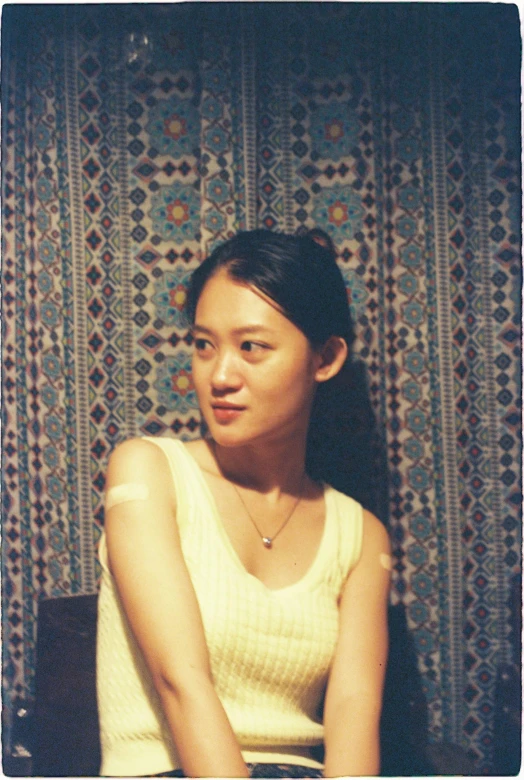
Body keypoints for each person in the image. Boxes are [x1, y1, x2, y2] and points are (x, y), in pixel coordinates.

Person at [96, 229, 391, 778]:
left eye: (251, 347)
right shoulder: (148, 472)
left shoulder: (361, 536)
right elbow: (180, 682)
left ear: (324, 358)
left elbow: (355, 713)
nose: (220, 376)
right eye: (204, 345)